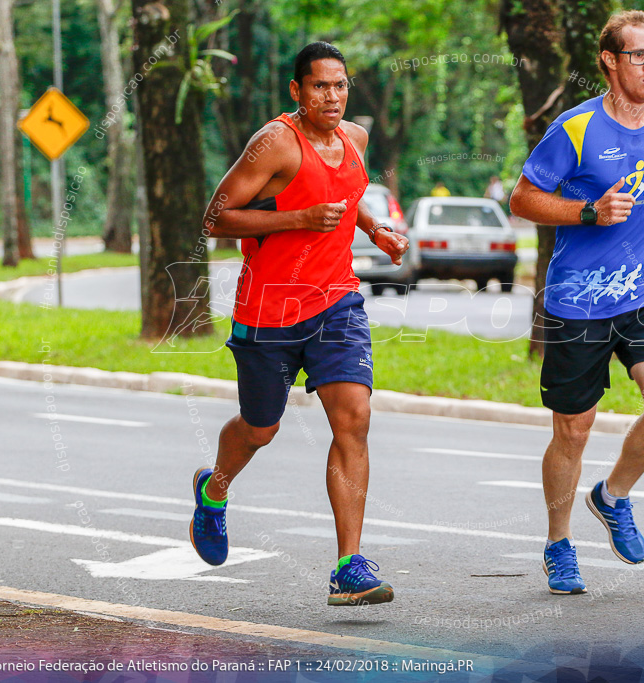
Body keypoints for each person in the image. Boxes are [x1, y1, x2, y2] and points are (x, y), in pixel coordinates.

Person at [189, 41, 409, 606]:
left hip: (337, 301)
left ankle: (348, 566)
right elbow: (215, 218)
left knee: (353, 418)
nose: (331, 97)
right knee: (261, 428)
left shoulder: (354, 140)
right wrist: (299, 220)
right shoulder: (275, 144)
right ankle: (214, 491)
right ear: (297, 91)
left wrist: (376, 230)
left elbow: (345, 194)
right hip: (269, 310)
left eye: (339, 86)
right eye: (319, 86)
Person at [508, 10, 644, 595]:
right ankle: (559, 543)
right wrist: (588, 211)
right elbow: (523, 198)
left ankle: (612, 496)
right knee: (574, 428)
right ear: (610, 62)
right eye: (639, 56)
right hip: (579, 301)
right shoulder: (575, 129)